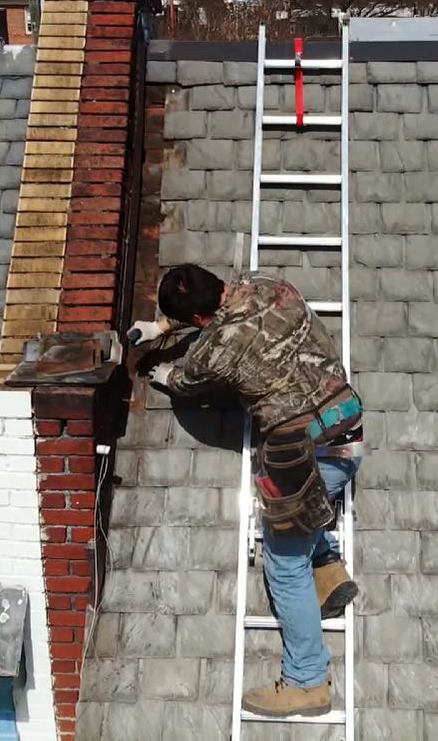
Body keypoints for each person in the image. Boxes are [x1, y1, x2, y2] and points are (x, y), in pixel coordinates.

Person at [127, 263, 363, 719]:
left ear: (197, 322)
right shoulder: (267, 284)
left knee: (283, 559)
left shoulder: (214, 350)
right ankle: (329, 568)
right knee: (301, 501)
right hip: (348, 429)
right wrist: (160, 325)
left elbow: (186, 381)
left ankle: (307, 681)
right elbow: (214, 308)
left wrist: (160, 372)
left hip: (309, 456)